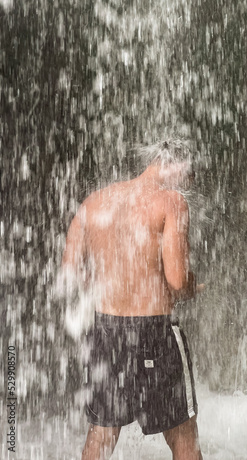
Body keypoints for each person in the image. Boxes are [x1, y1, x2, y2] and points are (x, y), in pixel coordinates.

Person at [61, 140, 204, 460]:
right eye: (190, 175)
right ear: (177, 166)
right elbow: (177, 279)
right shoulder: (171, 202)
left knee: (101, 433)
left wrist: (114, 286)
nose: (189, 184)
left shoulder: (95, 202)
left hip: (106, 330)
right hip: (154, 332)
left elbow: (69, 271)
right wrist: (193, 288)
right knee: (183, 433)